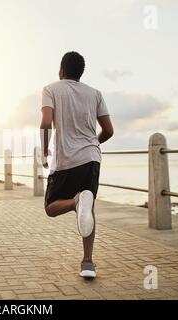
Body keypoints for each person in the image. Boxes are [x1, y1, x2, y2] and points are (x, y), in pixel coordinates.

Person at [40, 51, 114, 279]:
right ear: (81, 73)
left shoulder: (51, 89)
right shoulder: (95, 94)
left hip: (66, 160)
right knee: (88, 210)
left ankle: (74, 203)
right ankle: (88, 263)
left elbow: (45, 123)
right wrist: (92, 144)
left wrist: (44, 151)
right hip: (91, 159)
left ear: (61, 70)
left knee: (51, 207)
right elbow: (109, 130)